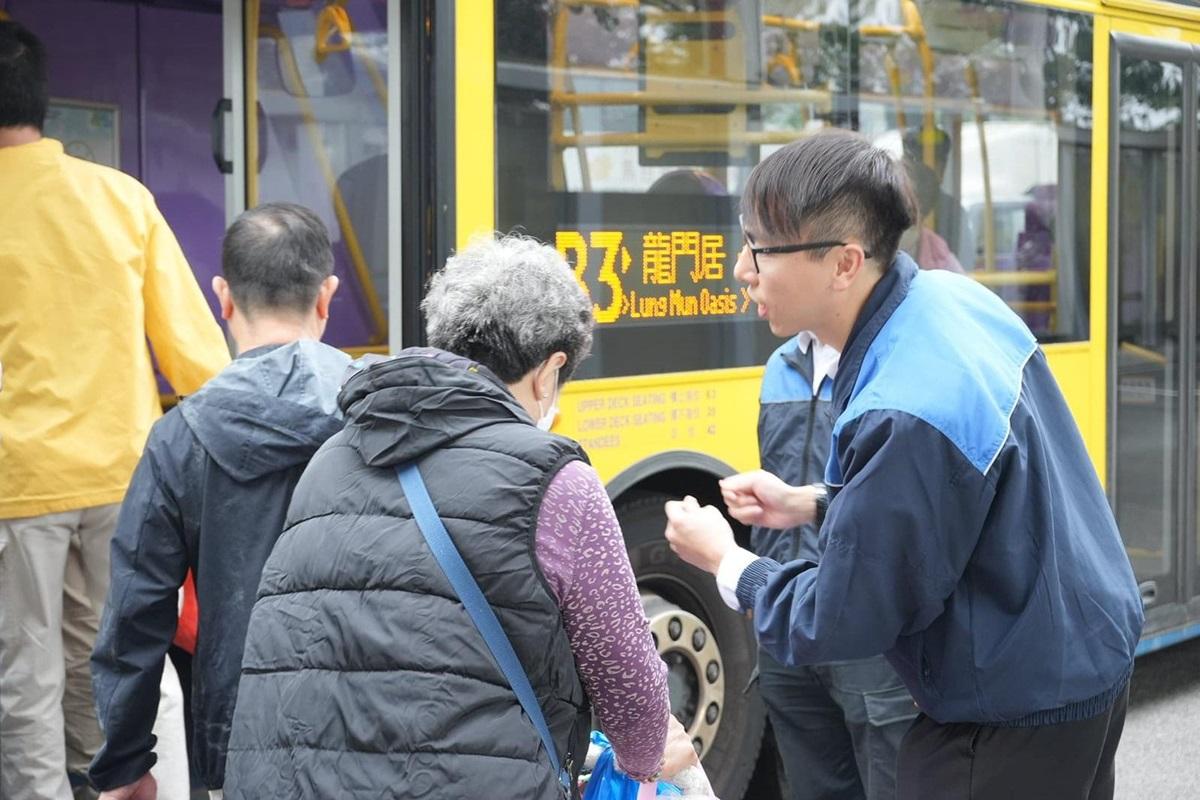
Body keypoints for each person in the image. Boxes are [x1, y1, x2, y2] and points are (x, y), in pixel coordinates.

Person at [663, 129, 1143, 800]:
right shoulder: (950, 300)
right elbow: (961, 496)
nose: (743, 270)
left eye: (760, 248)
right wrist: (812, 503)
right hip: (1079, 659)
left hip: (1007, 712)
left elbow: (844, 616)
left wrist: (727, 562)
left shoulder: (904, 405)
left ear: (843, 263)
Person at [224, 234, 696, 799]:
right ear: (549, 371)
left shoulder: (332, 457)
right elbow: (633, 698)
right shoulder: (555, 480)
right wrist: (647, 760)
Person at [0, 21, 228, 800]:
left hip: (16, 486)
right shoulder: (121, 199)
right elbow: (197, 358)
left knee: (23, 675)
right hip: (123, 476)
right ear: (42, 101)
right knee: (125, 657)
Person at [88, 203, 350, 800]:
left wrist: (125, 761)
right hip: (375, 719)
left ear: (223, 298)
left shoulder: (181, 437)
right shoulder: (382, 411)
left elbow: (136, 613)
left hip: (239, 734)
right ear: (326, 296)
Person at [750, 331, 915, 800]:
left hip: (862, 627)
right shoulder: (780, 364)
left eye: (757, 259)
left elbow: (894, 500)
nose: (749, 291)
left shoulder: (892, 361)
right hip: (789, 625)